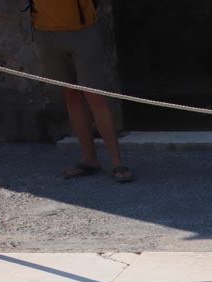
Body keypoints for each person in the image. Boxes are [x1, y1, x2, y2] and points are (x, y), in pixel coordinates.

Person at [30, 0, 134, 182]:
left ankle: (117, 163)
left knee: (95, 96)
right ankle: (89, 158)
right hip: (45, 31)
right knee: (70, 95)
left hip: (82, 30)